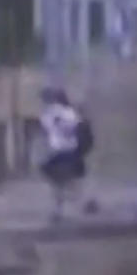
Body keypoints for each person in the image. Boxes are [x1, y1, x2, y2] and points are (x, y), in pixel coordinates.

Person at [39, 87, 94, 222]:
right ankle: (82, 202)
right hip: (72, 151)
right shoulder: (71, 113)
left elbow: (47, 131)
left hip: (57, 153)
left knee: (59, 184)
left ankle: (60, 210)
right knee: (70, 181)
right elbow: (81, 127)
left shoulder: (48, 114)